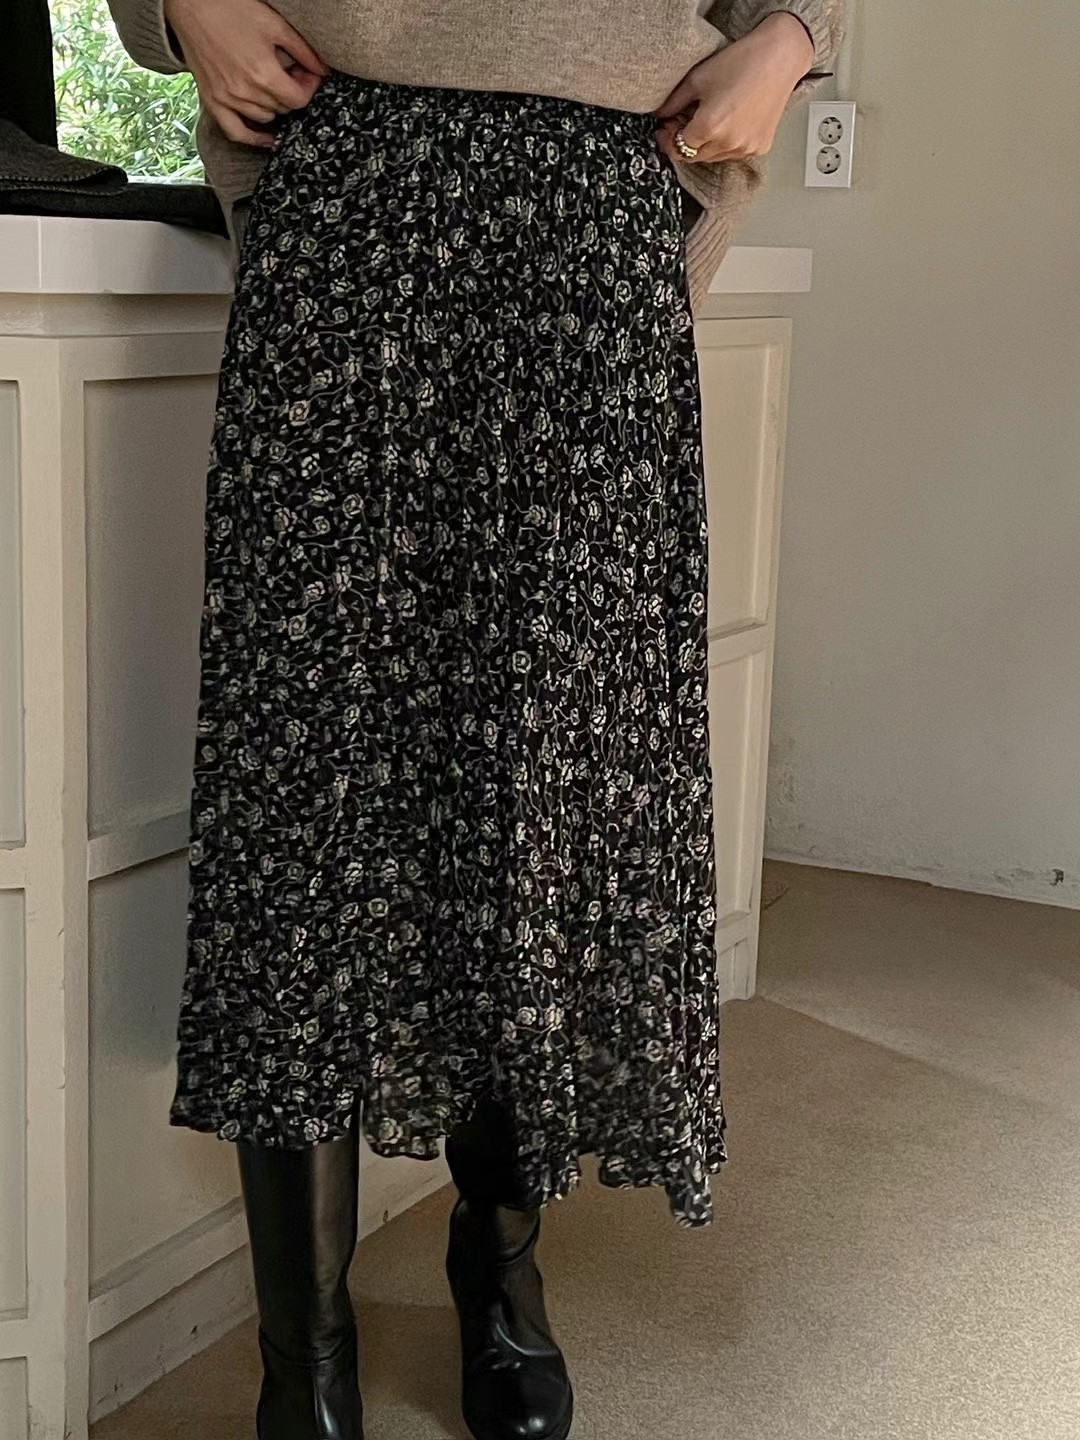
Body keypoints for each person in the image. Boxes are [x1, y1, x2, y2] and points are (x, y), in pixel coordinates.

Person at [106, 2, 844, 1437]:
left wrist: (798, 35)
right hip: (347, 189)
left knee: (540, 783)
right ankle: (303, 1353)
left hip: (595, 214)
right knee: (304, 791)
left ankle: (498, 1268)